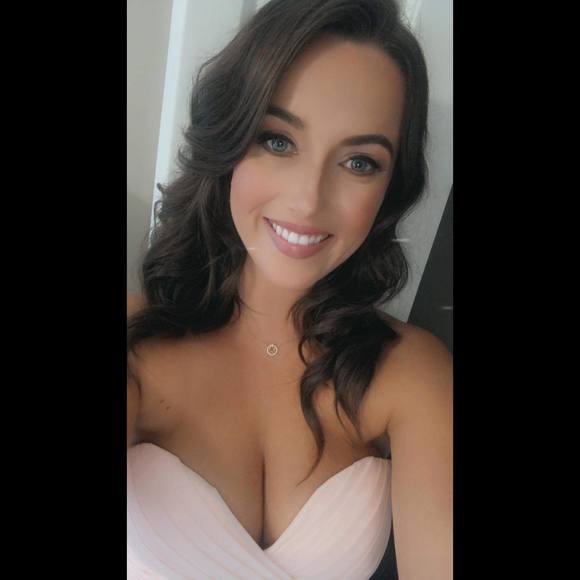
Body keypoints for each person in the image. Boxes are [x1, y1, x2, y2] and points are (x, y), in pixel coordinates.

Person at [127, 0, 452, 578]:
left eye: (359, 162)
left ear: (391, 187)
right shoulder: (134, 344)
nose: (308, 201)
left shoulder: (412, 372)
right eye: (278, 141)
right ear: (229, 141)